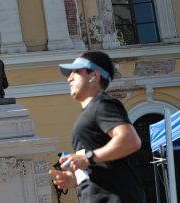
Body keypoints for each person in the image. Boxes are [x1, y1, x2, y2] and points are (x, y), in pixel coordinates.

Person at [49, 51, 146, 203]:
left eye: (76, 72)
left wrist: (87, 158)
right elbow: (97, 165)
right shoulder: (90, 112)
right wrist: (76, 180)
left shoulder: (102, 104)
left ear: (94, 76)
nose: (69, 78)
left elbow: (130, 140)